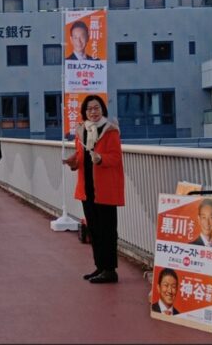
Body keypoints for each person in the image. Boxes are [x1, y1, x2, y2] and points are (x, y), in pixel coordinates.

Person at [62, 95, 124, 284]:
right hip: (87, 188)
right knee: (94, 230)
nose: (93, 112)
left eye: (96, 108)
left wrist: (101, 159)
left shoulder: (111, 131)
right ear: (84, 112)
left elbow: (116, 157)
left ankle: (110, 270)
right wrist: (73, 162)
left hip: (105, 188)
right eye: (89, 109)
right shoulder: (82, 131)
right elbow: (81, 157)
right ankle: (100, 266)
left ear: (103, 109)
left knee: (107, 230)